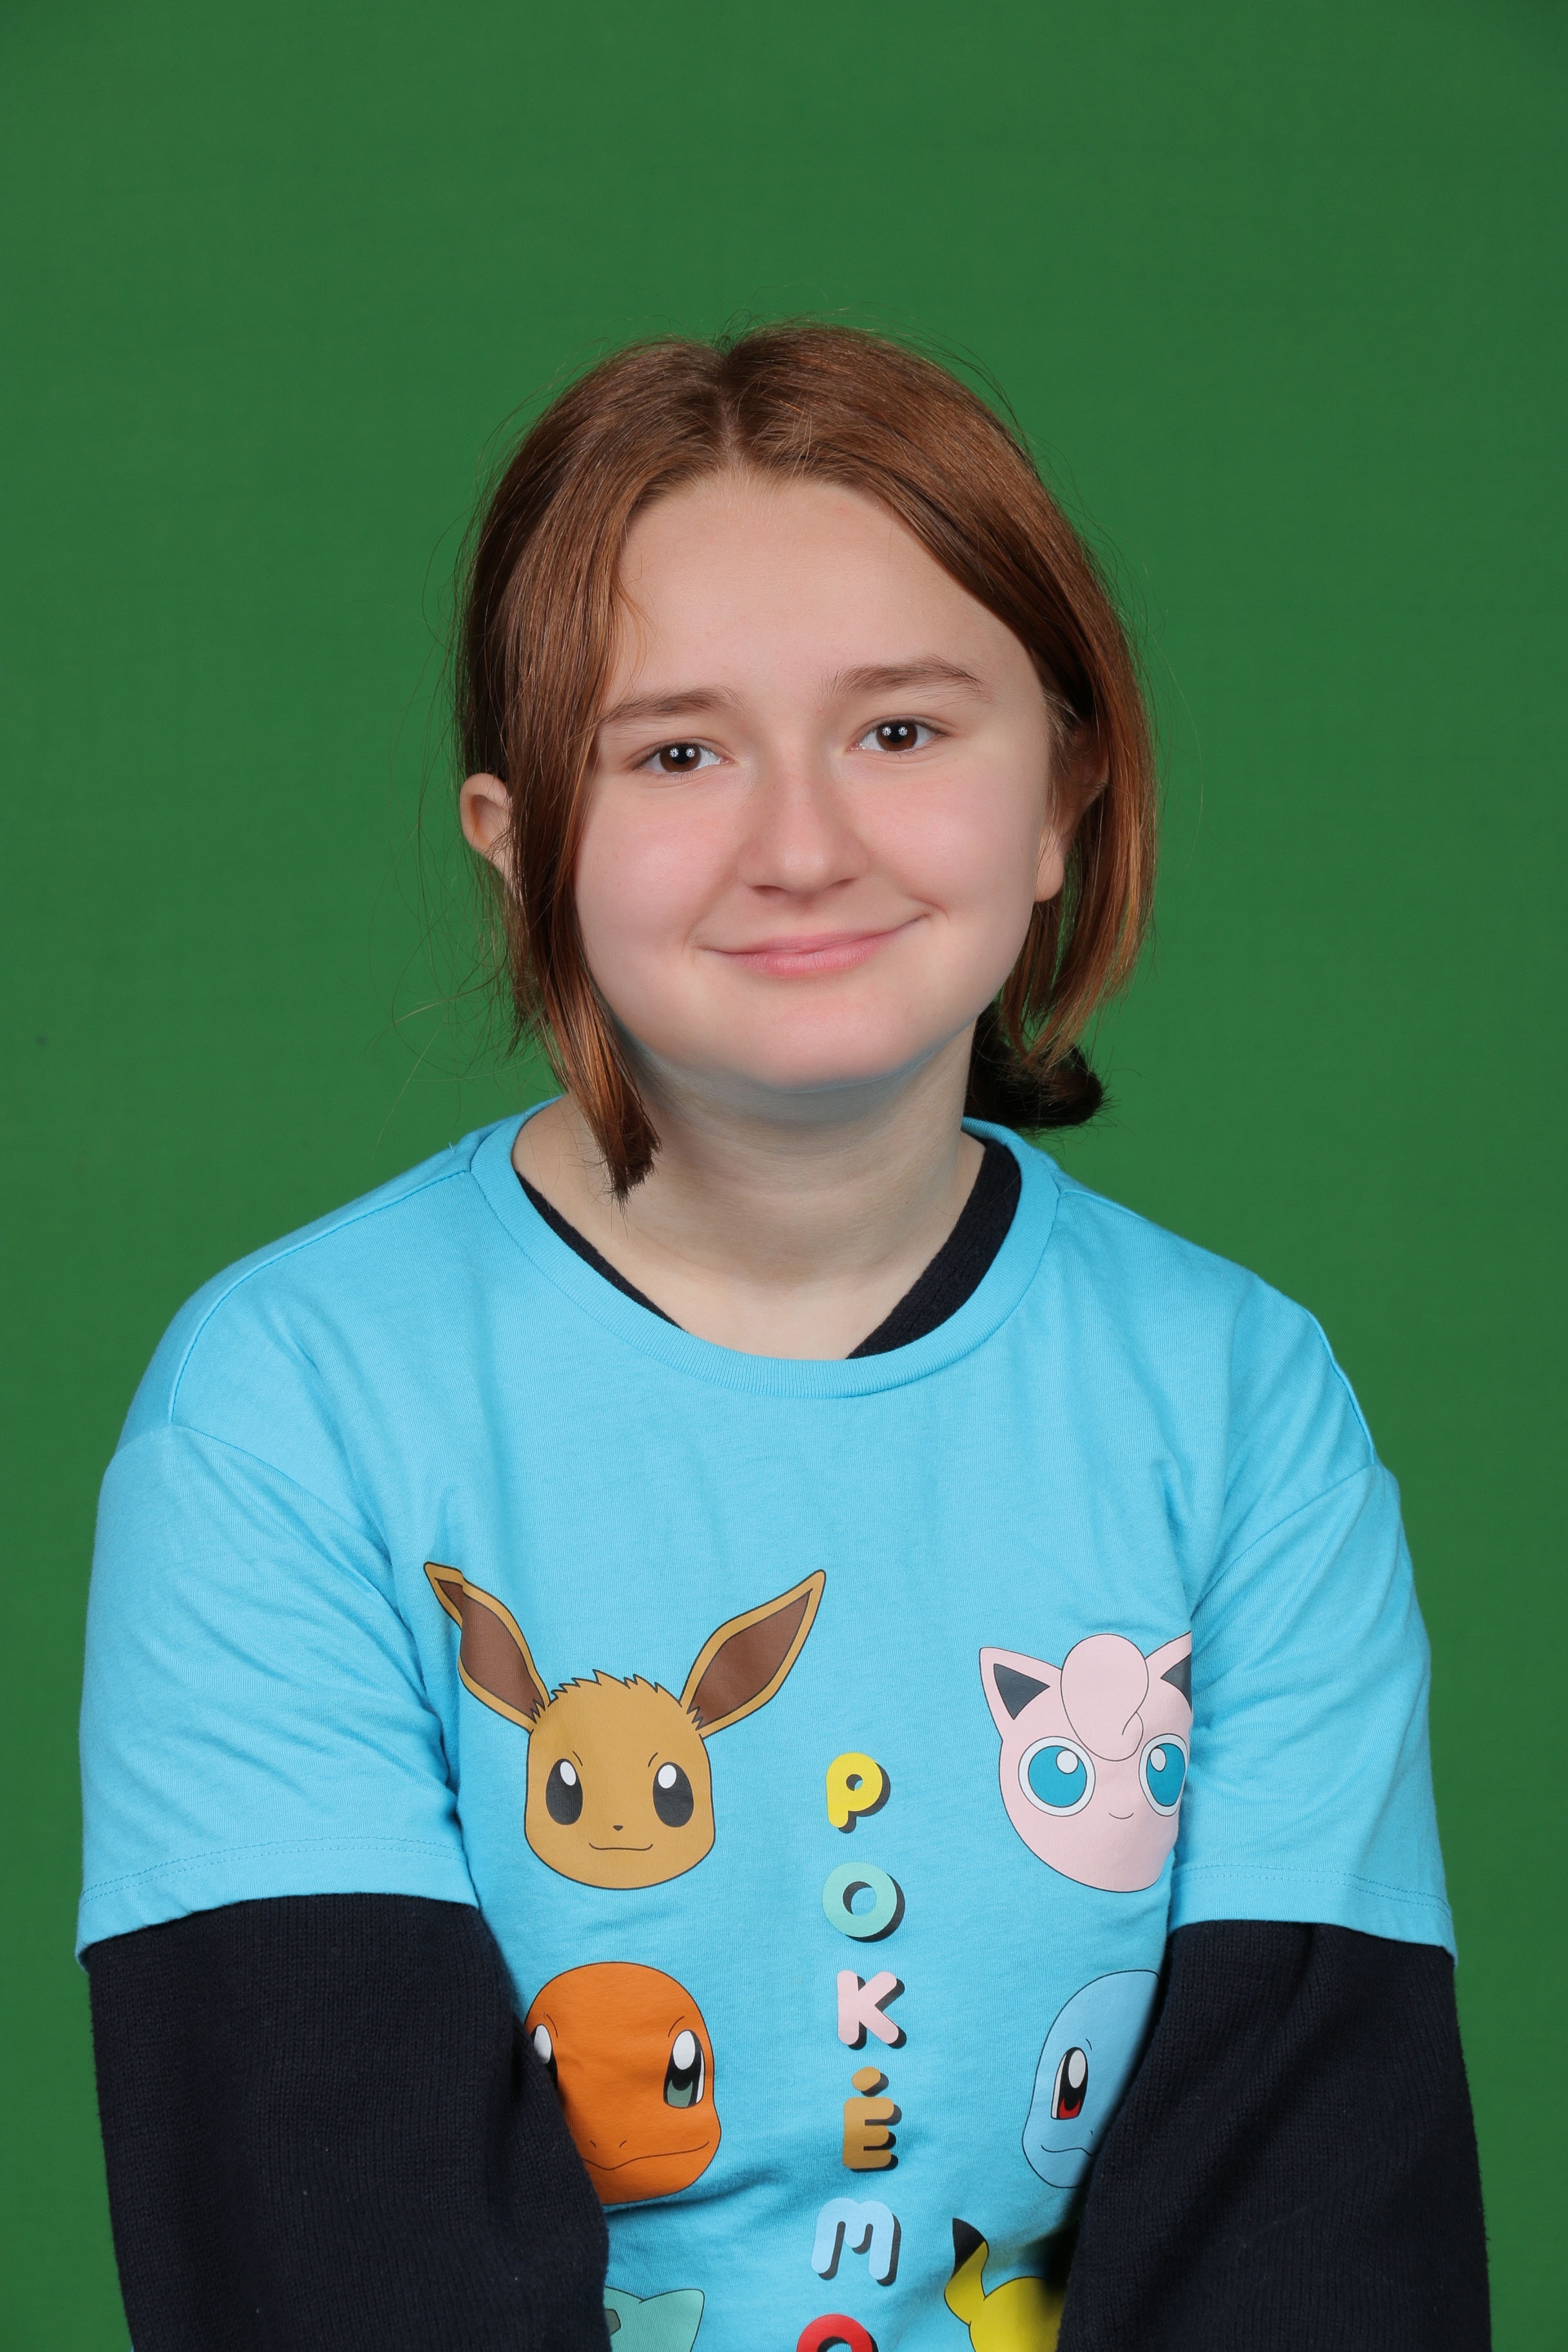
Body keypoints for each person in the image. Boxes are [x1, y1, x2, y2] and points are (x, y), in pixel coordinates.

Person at [79, 326, 1489, 2352]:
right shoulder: (289, 1410)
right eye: (676, 753)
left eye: (902, 730)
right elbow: (329, 2258)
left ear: (1063, 796)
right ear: (517, 841)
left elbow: (1316, 2246)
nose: (804, 843)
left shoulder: (1244, 1405)